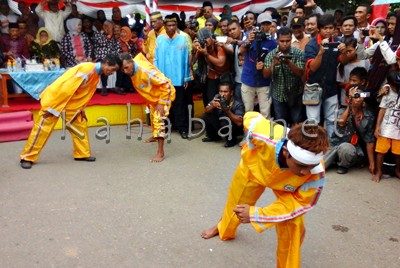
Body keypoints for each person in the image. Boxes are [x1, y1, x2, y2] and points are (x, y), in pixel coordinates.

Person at [201, 112, 329, 268]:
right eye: (302, 165)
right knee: (235, 203)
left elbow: (300, 204)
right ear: (285, 152)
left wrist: (256, 215)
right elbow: (250, 116)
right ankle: (223, 228)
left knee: (293, 223)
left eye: (311, 167)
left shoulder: (316, 173)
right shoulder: (263, 132)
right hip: (254, 169)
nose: (305, 172)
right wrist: (249, 141)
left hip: (288, 186)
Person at [19, 54, 121, 169]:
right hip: (56, 100)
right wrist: (52, 108)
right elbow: (65, 88)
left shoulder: (95, 74)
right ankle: (27, 157)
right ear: (106, 62)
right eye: (112, 69)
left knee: (79, 125)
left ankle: (82, 154)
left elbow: (83, 94)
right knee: (42, 129)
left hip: (71, 104)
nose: (112, 73)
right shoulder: (86, 69)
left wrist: (81, 109)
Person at [121, 52, 175, 162]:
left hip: (165, 94)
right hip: (153, 97)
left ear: (132, 61)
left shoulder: (145, 70)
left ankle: (160, 152)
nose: (125, 71)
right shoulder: (133, 67)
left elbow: (166, 84)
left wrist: (161, 102)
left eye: (126, 67)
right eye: (123, 69)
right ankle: (156, 137)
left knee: (157, 120)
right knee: (152, 115)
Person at [326, 67, 376, 174]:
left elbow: (370, 140)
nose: (357, 98)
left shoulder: (368, 115)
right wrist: (350, 104)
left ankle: (343, 164)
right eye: (355, 96)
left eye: (359, 96)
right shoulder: (341, 111)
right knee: (322, 160)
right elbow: (341, 122)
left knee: (346, 149)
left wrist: (372, 163)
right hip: (336, 146)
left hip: (353, 150)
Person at [304, 14, 345, 140]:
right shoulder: (311, 45)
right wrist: (321, 52)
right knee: (312, 121)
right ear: (319, 29)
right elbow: (312, 68)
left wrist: (343, 51)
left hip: (331, 87)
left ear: (334, 28)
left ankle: (332, 147)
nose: (328, 31)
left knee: (332, 119)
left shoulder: (337, 42)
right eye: (325, 28)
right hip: (313, 87)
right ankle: (312, 147)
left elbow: (342, 61)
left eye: (331, 28)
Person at [155, 15, 191, 139]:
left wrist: (186, 78)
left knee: (180, 104)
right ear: (164, 26)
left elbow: (186, 60)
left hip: (179, 77)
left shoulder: (183, 39)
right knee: (165, 104)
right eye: (168, 25)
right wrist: (157, 77)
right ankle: (165, 127)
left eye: (173, 25)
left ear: (176, 26)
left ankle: (183, 129)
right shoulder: (160, 39)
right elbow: (156, 59)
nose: (171, 28)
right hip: (164, 79)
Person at [262, 27, 305, 125]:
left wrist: (288, 62)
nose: (285, 43)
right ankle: (282, 140)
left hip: (295, 93)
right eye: (282, 41)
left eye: (288, 41)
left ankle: (295, 140)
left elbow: (301, 73)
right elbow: (265, 75)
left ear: (291, 40)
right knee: (280, 123)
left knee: (296, 121)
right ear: (277, 40)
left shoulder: (298, 53)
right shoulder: (271, 55)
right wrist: (274, 63)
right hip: (278, 94)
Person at [240, 12, 277, 118]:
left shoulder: (273, 43)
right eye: (263, 24)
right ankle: (248, 134)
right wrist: (248, 41)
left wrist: (265, 65)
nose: (265, 26)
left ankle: (265, 134)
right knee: (248, 112)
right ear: (259, 24)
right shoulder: (249, 36)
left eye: (267, 24)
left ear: (270, 25)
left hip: (263, 82)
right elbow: (241, 51)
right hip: (248, 79)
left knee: (265, 113)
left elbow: (274, 62)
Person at [373, 70, 400, 182]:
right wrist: (377, 126)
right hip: (386, 128)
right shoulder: (387, 93)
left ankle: (398, 170)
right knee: (380, 151)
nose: (395, 88)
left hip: (398, 129)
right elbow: (382, 110)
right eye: (393, 85)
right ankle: (379, 172)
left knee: (398, 153)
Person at [202, 76, 244, 147]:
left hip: (234, 127)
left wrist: (227, 110)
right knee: (206, 115)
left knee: (226, 120)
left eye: (225, 92)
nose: (222, 94)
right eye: (221, 91)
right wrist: (212, 106)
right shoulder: (217, 97)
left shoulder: (237, 103)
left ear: (231, 92)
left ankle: (232, 140)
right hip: (221, 122)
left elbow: (239, 122)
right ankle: (214, 137)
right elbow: (205, 110)